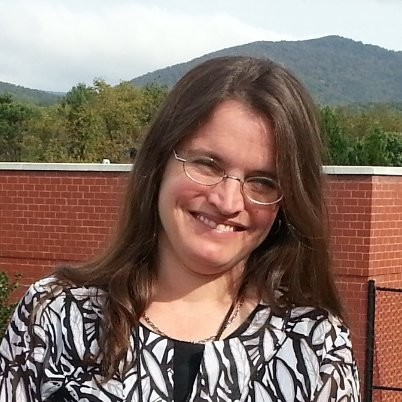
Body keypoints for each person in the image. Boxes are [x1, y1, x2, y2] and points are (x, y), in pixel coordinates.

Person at [0, 56, 360, 401]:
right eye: (208, 164)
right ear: (160, 163)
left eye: (263, 182)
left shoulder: (315, 347)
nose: (228, 201)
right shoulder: (56, 317)